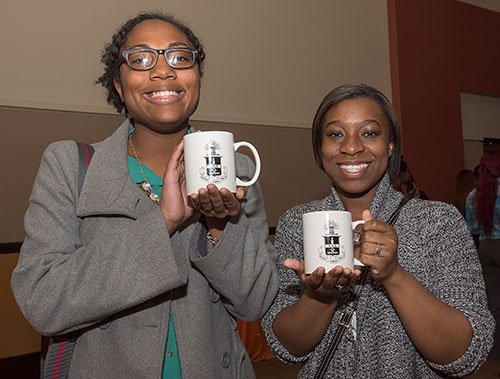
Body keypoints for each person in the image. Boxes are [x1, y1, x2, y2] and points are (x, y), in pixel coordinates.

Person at [11, 12, 278, 378]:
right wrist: (165, 221)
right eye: (140, 59)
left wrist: (219, 226)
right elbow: (42, 301)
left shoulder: (239, 171)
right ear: (119, 86)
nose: (163, 71)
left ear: (197, 76)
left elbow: (255, 301)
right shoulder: (69, 167)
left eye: (180, 57)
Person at [261, 84, 494, 378]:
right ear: (320, 147)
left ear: (391, 144)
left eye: (369, 132)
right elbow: (286, 347)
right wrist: (320, 297)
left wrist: (395, 275)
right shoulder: (298, 223)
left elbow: (463, 355)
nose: (351, 146)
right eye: (335, 134)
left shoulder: (438, 221)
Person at [465, 150, 500, 366]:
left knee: (494, 305)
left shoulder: (472, 195)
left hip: (486, 249)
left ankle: (496, 355)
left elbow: (473, 229)